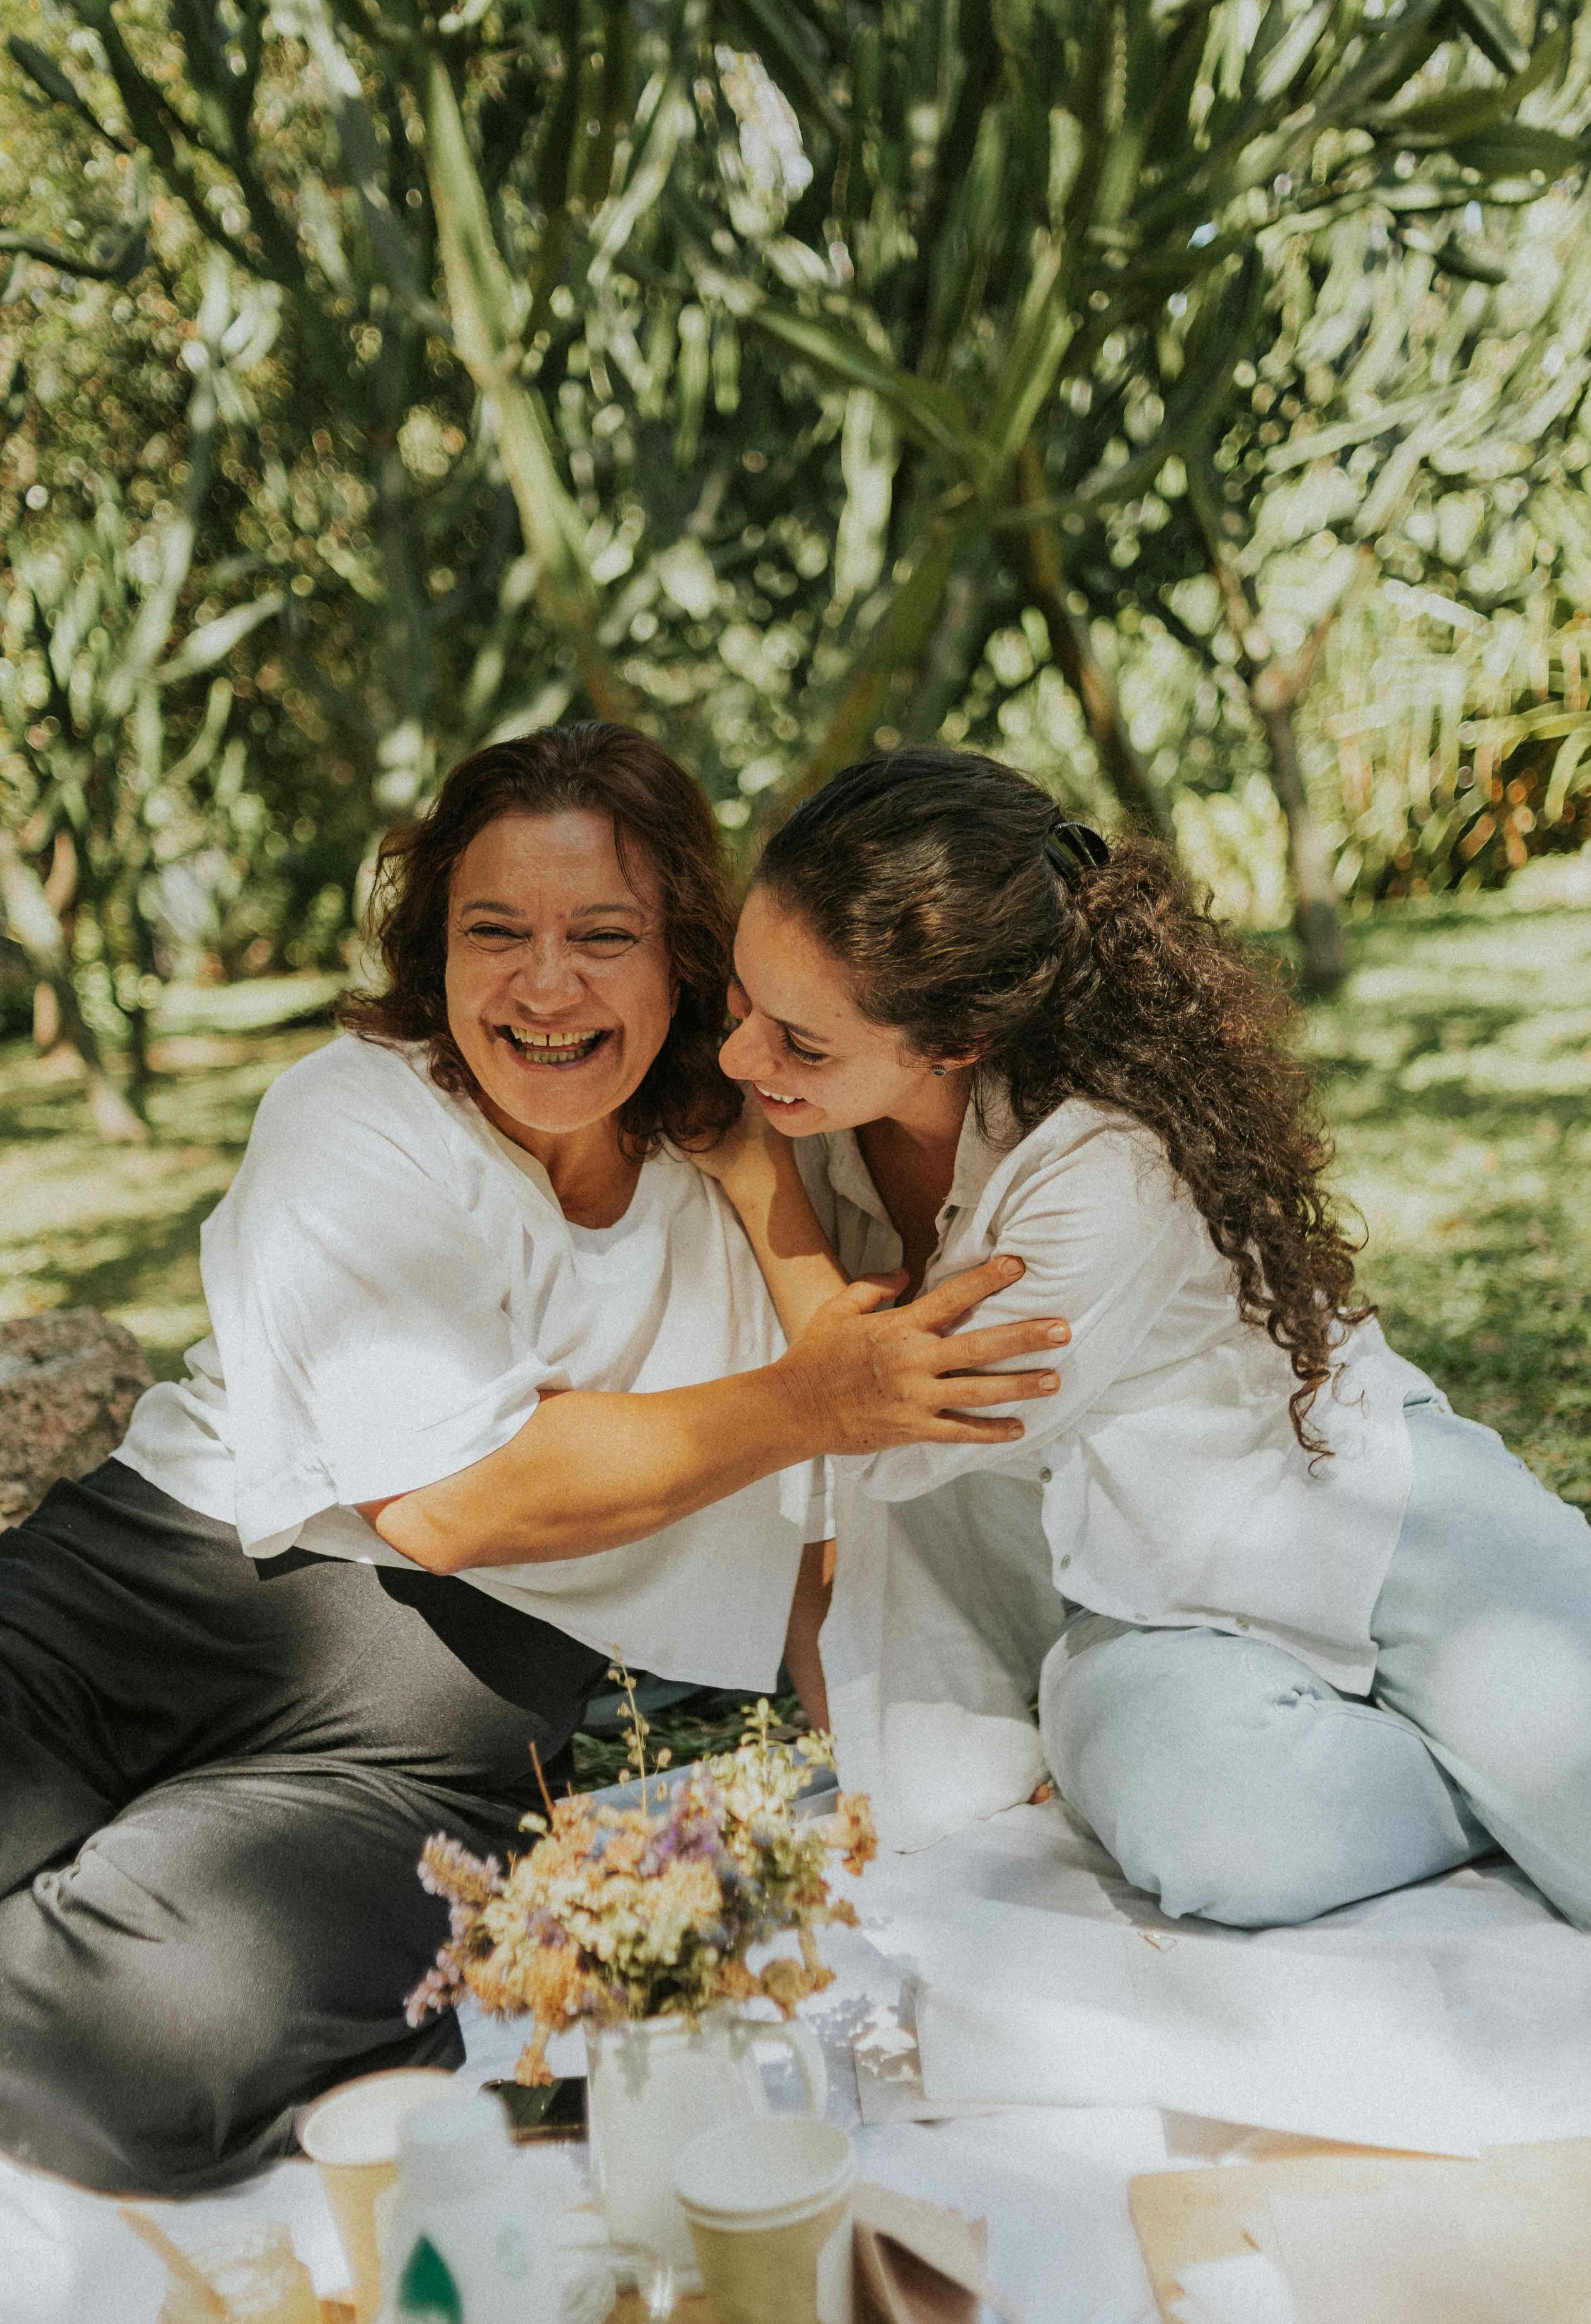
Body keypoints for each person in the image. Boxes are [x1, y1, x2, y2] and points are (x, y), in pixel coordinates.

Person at [0, 722, 1061, 2195]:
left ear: (688, 961)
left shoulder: (752, 1174)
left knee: (137, 2077)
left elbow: (829, 1560)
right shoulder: (356, 1116)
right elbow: (451, 1499)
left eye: (604, 937)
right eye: (493, 931)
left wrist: (910, 1814)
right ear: (435, 949)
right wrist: (810, 1395)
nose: (545, 986)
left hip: (457, 1727)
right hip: (165, 1593)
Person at [708, 746, 1591, 1919]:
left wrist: (755, 1181)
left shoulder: (1105, 1163)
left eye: (798, 1042)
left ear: (959, 1037)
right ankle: (1487, 1787)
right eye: (738, 1005)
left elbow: (901, 1428)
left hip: (1376, 1522)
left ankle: (1510, 1761)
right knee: (1216, 1839)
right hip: (1145, 1604)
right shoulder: (818, 1127)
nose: (737, 1061)